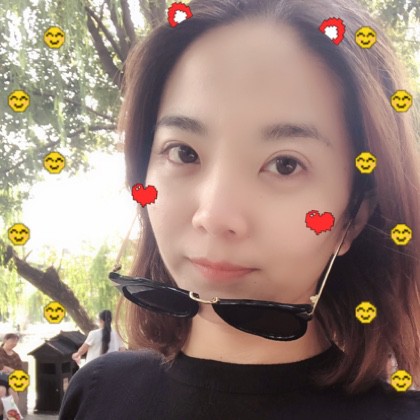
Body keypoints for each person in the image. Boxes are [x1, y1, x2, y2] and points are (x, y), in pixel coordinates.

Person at [59, 0, 420, 418]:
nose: (213, 216)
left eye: (285, 165)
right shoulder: (99, 394)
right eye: (184, 152)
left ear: (354, 217)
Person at [0, 334, 23, 420]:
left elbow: (19, 371)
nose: (14, 343)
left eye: (16, 341)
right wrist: (9, 369)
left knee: (13, 394)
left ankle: (12, 418)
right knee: (1, 391)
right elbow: (2, 367)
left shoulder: (16, 356)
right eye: (12, 341)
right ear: (5, 340)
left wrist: (8, 369)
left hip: (12, 380)